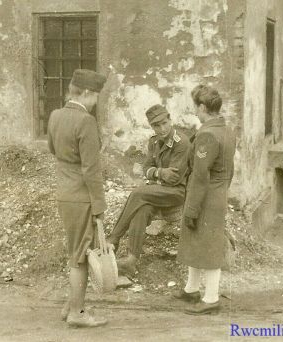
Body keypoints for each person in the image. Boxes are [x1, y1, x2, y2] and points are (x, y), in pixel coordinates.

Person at [47, 69, 109, 327]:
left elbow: (53, 149)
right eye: (95, 97)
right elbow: (91, 170)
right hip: (82, 197)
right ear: (85, 93)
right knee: (81, 255)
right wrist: (99, 205)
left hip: (65, 193)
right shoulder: (86, 122)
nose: (96, 102)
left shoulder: (55, 115)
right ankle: (77, 313)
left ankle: (72, 304)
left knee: (75, 251)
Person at [108, 104, 190, 276]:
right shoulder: (153, 142)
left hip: (177, 193)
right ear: (151, 126)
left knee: (138, 193)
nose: (161, 129)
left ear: (170, 119)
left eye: (164, 123)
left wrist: (155, 174)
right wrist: (160, 173)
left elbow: (174, 178)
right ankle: (131, 260)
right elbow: (146, 168)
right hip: (158, 191)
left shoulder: (181, 143)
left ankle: (114, 238)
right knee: (141, 209)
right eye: (156, 125)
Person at [175, 85, 236, 315]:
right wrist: (222, 191)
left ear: (202, 107)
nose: (195, 113)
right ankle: (191, 289)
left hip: (205, 197)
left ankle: (211, 299)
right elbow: (230, 170)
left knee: (209, 247)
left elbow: (200, 176)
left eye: (196, 108)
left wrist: (191, 208)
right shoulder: (227, 130)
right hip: (217, 195)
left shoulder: (207, 134)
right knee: (196, 240)